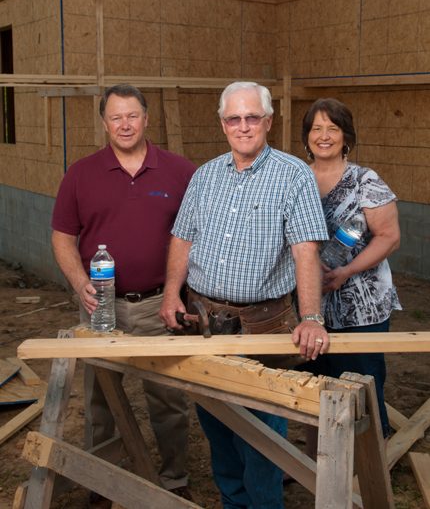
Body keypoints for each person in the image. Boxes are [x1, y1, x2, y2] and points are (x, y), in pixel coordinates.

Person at [160, 81, 330, 509]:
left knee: (261, 430)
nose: (243, 126)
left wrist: (311, 317)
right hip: (204, 324)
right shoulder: (205, 176)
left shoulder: (293, 175)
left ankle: (264, 504)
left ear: (268, 121)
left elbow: (306, 250)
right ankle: (232, 502)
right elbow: (183, 238)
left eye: (252, 117)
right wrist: (170, 295)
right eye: (234, 118)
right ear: (222, 124)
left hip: (262, 326)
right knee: (215, 420)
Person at [51, 84, 196, 506]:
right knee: (100, 398)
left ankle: (173, 478)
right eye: (116, 117)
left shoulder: (180, 171)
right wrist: (80, 283)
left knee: (167, 396)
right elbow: (62, 237)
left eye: (132, 115)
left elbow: (196, 236)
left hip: (160, 304)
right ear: (104, 123)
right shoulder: (81, 173)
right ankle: (103, 478)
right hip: (102, 307)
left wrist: (181, 293)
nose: (125, 124)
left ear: (147, 119)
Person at [301, 97, 401, 438]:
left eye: (333, 128)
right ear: (306, 137)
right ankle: (328, 453)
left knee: (361, 379)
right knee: (319, 379)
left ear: (347, 136)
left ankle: (374, 452)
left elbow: (389, 237)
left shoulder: (365, 180)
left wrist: (346, 270)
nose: (324, 136)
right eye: (316, 128)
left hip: (362, 304)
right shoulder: (296, 179)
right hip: (312, 304)